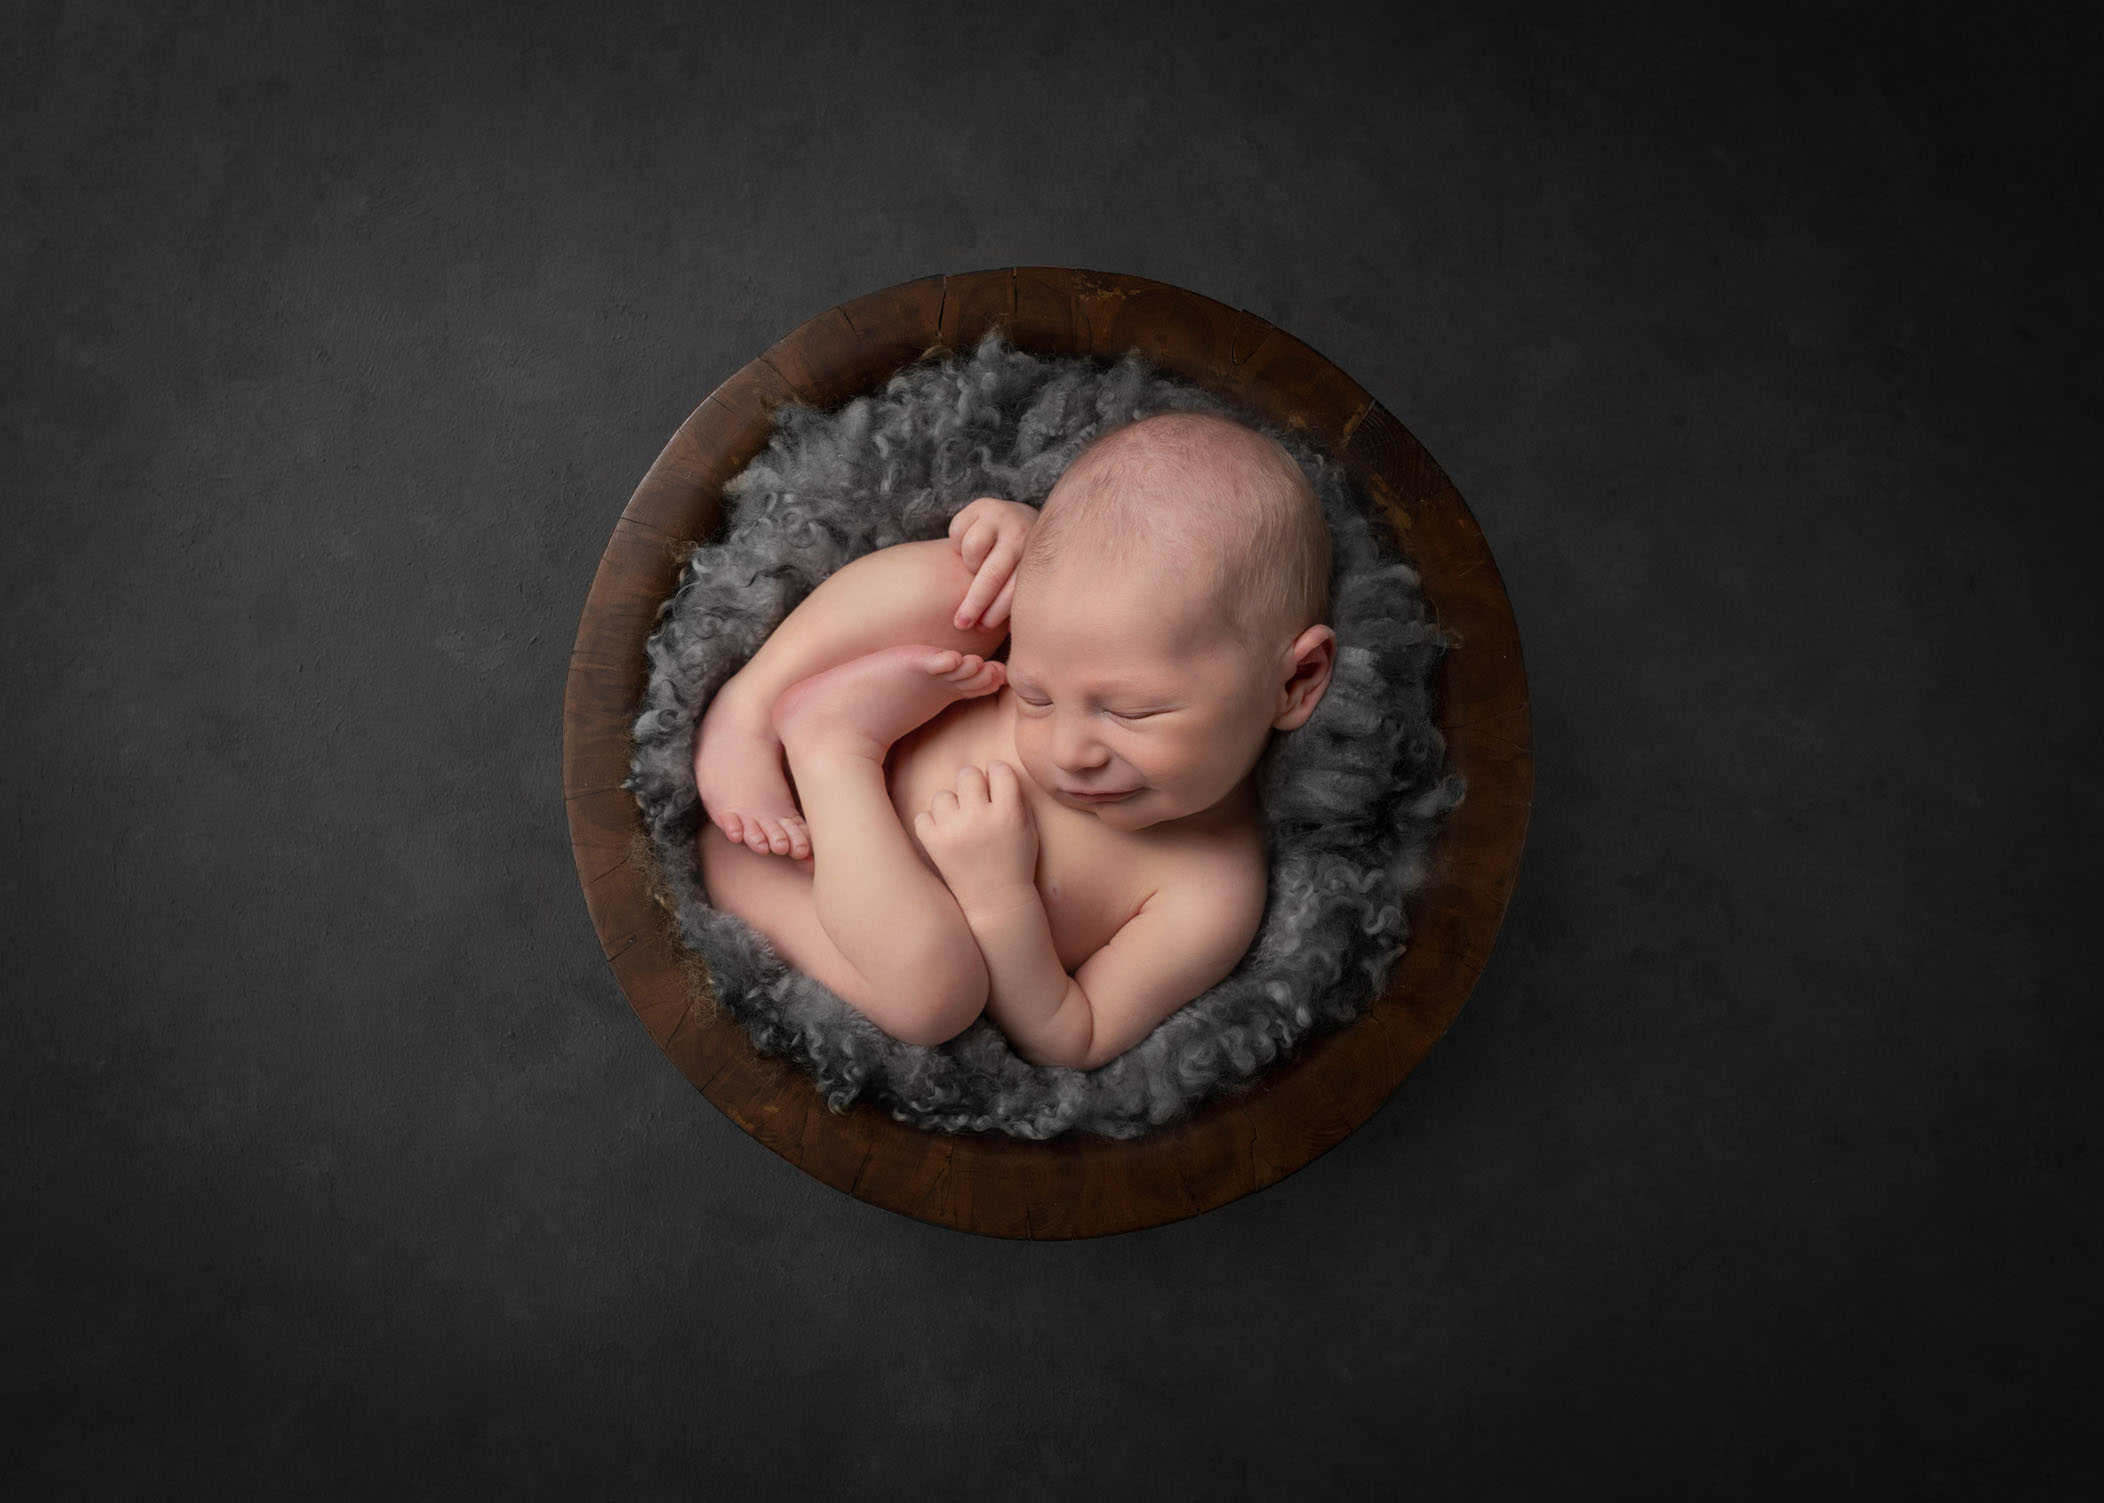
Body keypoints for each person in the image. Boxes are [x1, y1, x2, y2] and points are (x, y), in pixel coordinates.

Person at [691, 411, 1336, 1069]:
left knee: (936, 994)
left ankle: (828, 751)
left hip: (801, 877)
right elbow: (1052, 598)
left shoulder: (1211, 890)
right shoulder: (1061, 628)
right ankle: (750, 708)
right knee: (971, 590)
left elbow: (1071, 1035)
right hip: (785, 784)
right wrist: (1009, 544)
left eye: (1132, 712)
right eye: (1035, 696)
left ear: (1296, 681)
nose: (1067, 748)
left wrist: (1001, 900)